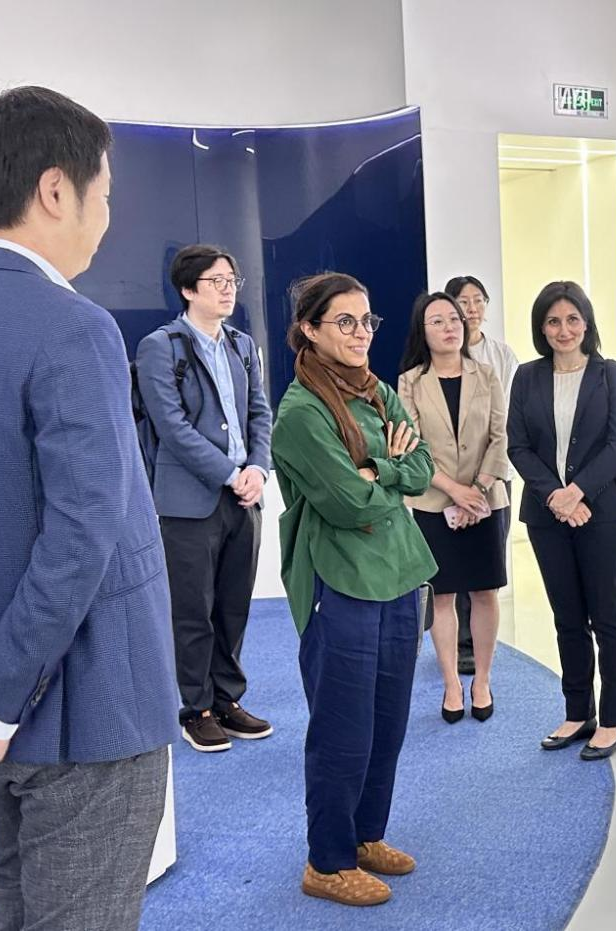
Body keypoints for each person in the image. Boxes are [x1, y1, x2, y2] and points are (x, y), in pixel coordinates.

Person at [0, 86, 176, 930]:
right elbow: (82, 535)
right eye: (103, 195)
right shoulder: (70, 325)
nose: (105, 219)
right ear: (53, 190)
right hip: (84, 707)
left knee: (13, 901)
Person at [271, 272, 437, 907]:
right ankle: (328, 861)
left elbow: (421, 468)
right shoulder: (300, 413)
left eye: (367, 320)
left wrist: (379, 469)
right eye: (345, 321)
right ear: (309, 330)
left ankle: (366, 837)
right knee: (343, 729)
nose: (361, 332)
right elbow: (347, 503)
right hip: (339, 581)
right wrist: (383, 476)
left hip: (397, 574)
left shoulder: (378, 391)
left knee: (387, 722)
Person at [136, 244, 274, 753]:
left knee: (234, 606)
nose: (228, 289)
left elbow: (260, 412)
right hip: (188, 501)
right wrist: (229, 473)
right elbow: (171, 427)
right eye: (217, 281)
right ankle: (196, 709)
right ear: (188, 289)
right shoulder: (161, 346)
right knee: (193, 609)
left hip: (245, 497)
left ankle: (227, 699)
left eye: (232, 280)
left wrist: (257, 468)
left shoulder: (241, 344)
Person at [507, 280, 616, 761]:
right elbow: (518, 445)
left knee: (608, 618)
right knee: (567, 619)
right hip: (547, 516)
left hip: (601, 514)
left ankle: (614, 719)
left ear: (587, 323)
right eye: (553, 321)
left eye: (572, 319)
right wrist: (555, 497)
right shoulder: (527, 376)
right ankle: (579, 712)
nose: (564, 330)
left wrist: (577, 492)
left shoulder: (610, 374)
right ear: (541, 328)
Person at [398, 292, 511, 723]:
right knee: (441, 595)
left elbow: (501, 437)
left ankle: (482, 680)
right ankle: (451, 684)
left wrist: (476, 490)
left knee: (484, 592)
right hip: (433, 502)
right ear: (422, 332)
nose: (449, 327)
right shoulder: (410, 382)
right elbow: (411, 445)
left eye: (454, 319)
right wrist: (454, 491)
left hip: (485, 499)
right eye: (438, 321)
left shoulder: (487, 374)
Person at [443, 275, 519, 676]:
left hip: (495, 473)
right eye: (463, 301)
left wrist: (488, 476)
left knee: (487, 560)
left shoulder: (502, 355)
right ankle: (457, 642)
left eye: (478, 300)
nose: (471, 309)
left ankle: (478, 643)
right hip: (449, 478)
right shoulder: (441, 354)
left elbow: (508, 418)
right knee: (453, 559)